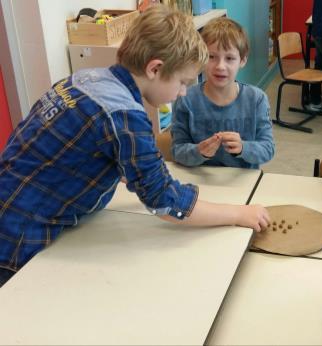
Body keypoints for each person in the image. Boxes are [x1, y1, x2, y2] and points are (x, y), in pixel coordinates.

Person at [0, 6, 270, 287]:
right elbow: (167, 202)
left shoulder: (85, 78)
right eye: (183, 82)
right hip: (17, 238)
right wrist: (240, 213)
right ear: (155, 68)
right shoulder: (124, 116)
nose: (183, 92)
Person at [171, 17, 274, 169]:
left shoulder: (256, 99)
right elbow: (177, 150)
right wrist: (198, 151)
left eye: (230, 58)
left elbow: (268, 149)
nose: (220, 66)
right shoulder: (186, 100)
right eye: (211, 57)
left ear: (243, 61)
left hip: (242, 182)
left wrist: (243, 148)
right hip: (201, 181)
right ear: (202, 57)